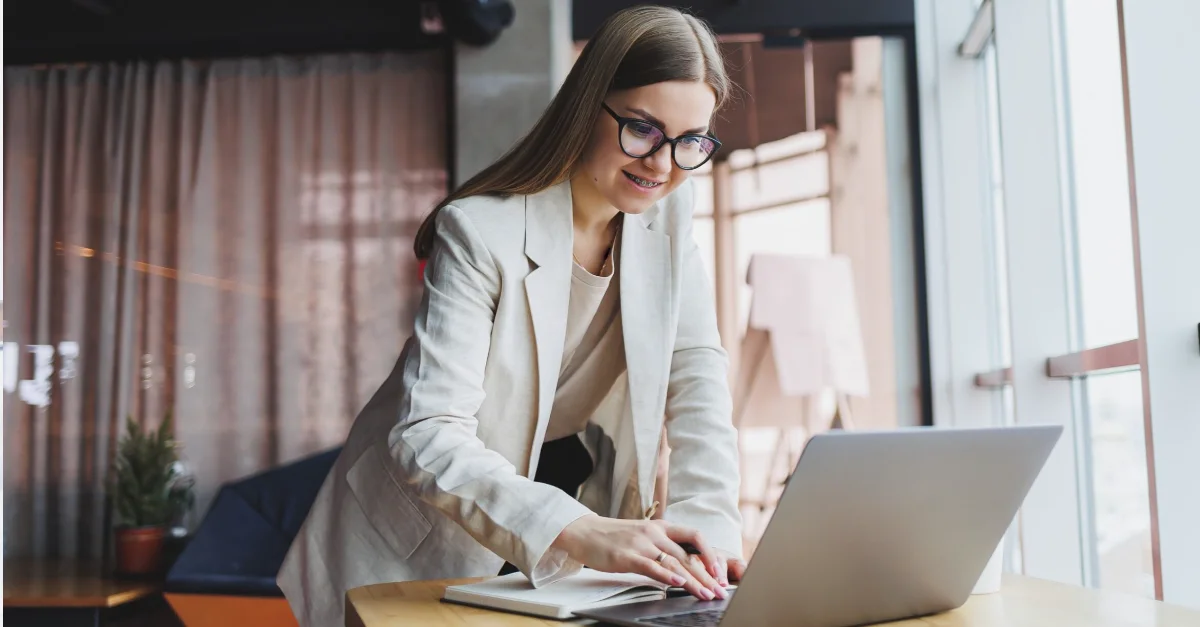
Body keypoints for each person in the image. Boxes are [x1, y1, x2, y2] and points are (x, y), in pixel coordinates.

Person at [278, 6, 744, 625]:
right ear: (588, 106)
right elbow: (428, 434)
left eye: (690, 143)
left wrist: (710, 535)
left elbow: (698, 380)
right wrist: (580, 528)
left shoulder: (669, 224)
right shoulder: (479, 231)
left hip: (559, 518)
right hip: (416, 539)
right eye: (642, 129)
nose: (662, 164)